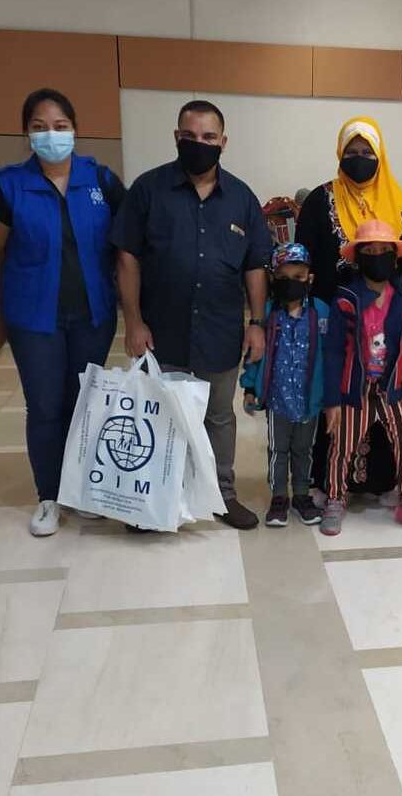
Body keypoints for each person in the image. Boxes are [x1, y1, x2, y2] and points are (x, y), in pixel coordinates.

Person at [112, 100, 270, 530]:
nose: (198, 144)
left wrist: (256, 323)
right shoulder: (148, 189)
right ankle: (151, 499)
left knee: (218, 416)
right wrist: (134, 321)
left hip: (219, 331)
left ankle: (222, 496)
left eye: (208, 137)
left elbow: (255, 265)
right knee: (158, 415)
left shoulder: (242, 197)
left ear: (223, 142)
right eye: (190, 136)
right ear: (177, 137)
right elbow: (127, 257)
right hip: (160, 330)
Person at [0, 88, 127, 537]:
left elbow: (125, 250)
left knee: (83, 405)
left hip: (93, 315)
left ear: (75, 130)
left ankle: (81, 490)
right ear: (27, 133)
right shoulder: (8, 185)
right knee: (44, 406)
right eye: (40, 127)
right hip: (33, 319)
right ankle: (49, 495)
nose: (51, 135)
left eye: (60, 126)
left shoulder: (100, 180)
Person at [296, 116, 402, 503]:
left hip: (385, 316)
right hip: (334, 318)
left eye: (368, 152)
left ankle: (382, 482)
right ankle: (328, 482)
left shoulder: (398, 202)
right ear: (339, 154)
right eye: (352, 152)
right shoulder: (321, 199)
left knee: (384, 395)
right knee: (336, 396)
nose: (360, 158)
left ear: (380, 155)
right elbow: (305, 261)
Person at [321, 220, 402, 537]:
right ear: (358, 256)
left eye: (384, 251)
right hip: (354, 391)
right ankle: (335, 499)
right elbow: (334, 353)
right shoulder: (345, 298)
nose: (378, 256)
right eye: (370, 251)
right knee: (341, 446)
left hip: (393, 391)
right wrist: (332, 402)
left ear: (395, 256)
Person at [240, 243, 330, 527]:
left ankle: (302, 494)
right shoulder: (267, 314)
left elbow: (331, 355)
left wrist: (331, 397)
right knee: (278, 450)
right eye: (284, 277)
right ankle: (279, 496)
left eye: (299, 277)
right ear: (273, 278)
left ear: (310, 278)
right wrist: (250, 387)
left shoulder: (321, 313)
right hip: (278, 400)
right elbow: (256, 356)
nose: (291, 284)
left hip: (309, 401)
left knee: (304, 450)